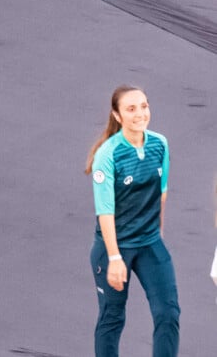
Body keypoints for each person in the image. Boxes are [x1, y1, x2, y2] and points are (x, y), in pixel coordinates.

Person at [85, 85, 180, 357]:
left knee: (168, 312)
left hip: (149, 243)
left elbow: (161, 194)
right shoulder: (109, 154)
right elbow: (105, 212)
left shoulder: (159, 144)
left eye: (144, 106)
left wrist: (157, 235)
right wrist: (114, 258)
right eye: (131, 108)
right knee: (112, 317)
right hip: (114, 248)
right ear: (117, 115)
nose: (140, 113)